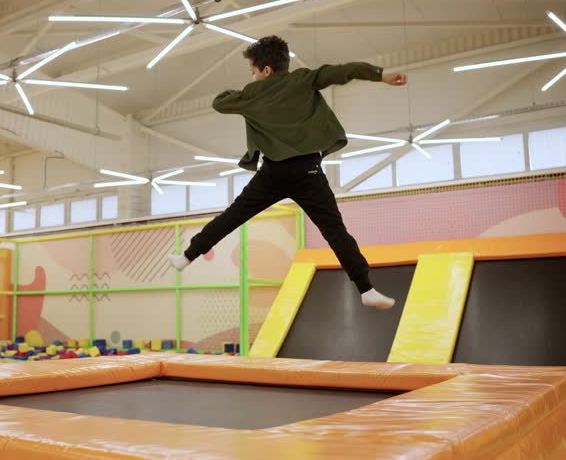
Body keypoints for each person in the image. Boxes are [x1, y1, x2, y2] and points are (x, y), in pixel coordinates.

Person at [168, 35, 407, 310]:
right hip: (308, 173)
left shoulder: (252, 93)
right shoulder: (303, 79)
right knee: (336, 231)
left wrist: (252, 90)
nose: (254, 76)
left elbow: (220, 102)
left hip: (273, 174)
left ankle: (186, 256)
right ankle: (366, 289)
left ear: (265, 70)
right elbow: (344, 71)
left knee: (232, 216)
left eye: (254, 71)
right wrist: (380, 75)